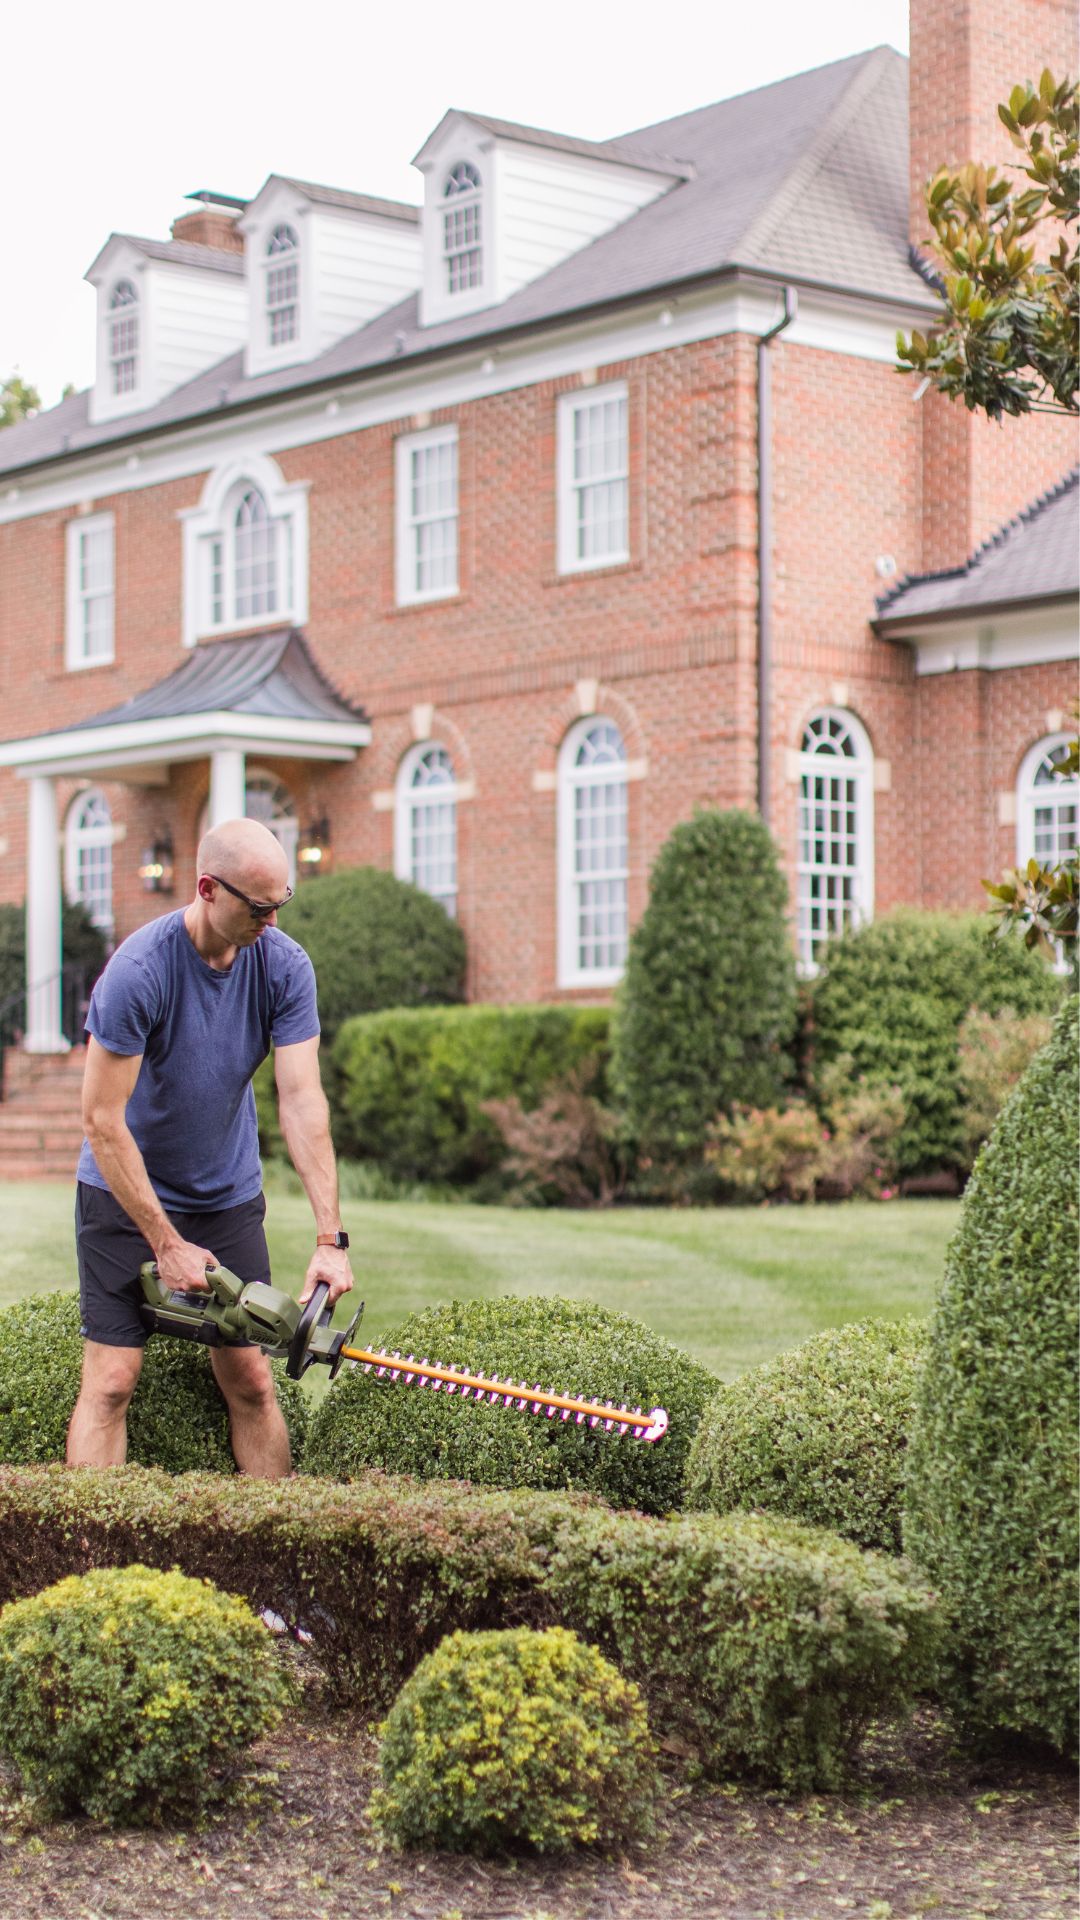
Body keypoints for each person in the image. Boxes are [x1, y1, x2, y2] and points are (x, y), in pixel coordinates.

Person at [67, 816, 353, 1476]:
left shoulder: (283, 966)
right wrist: (164, 1244)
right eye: (258, 909)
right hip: (121, 1195)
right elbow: (102, 1121)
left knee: (253, 1380)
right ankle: (90, 1572)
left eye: (282, 904)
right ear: (206, 889)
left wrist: (328, 1239)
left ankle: (272, 1560)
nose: (272, 924)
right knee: (111, 1382)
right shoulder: (138, 972)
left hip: (225, 1198)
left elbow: (303, 1100)